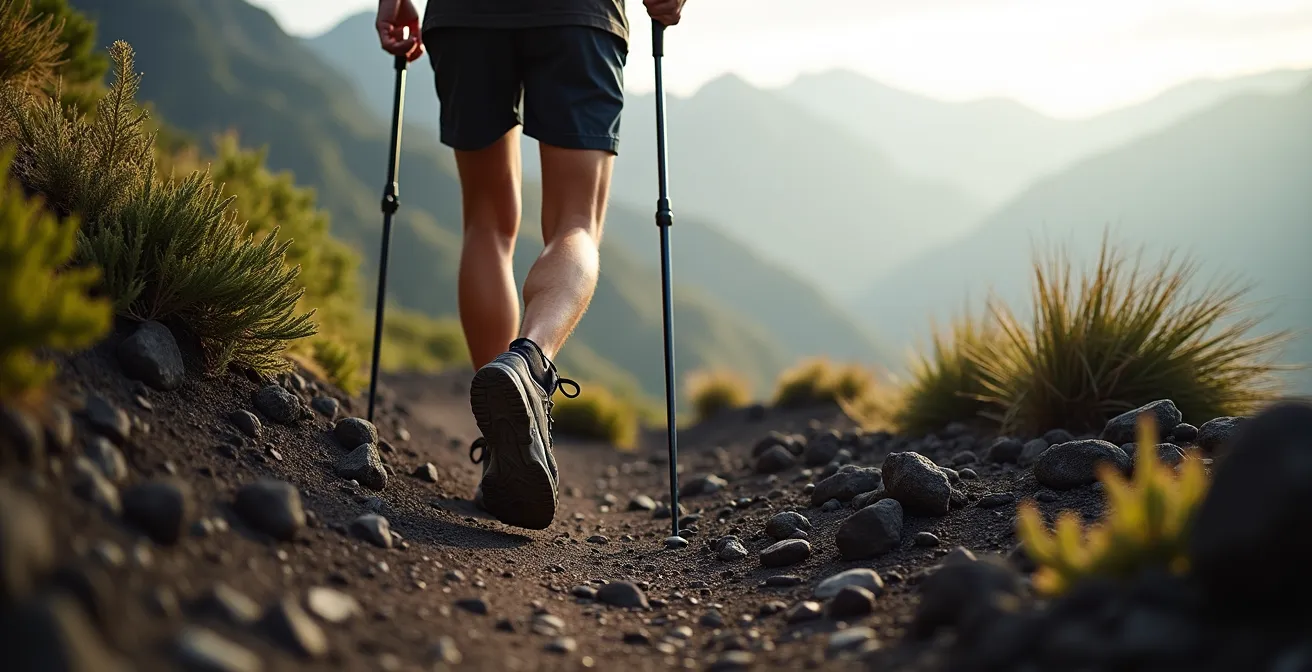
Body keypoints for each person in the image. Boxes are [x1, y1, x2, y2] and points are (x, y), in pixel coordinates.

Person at [375, 0, 687, 530]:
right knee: (576, 224)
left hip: (467, 17)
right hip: (579, 15)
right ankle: (530, 362)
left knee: (487, 226)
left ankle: (501, 442)